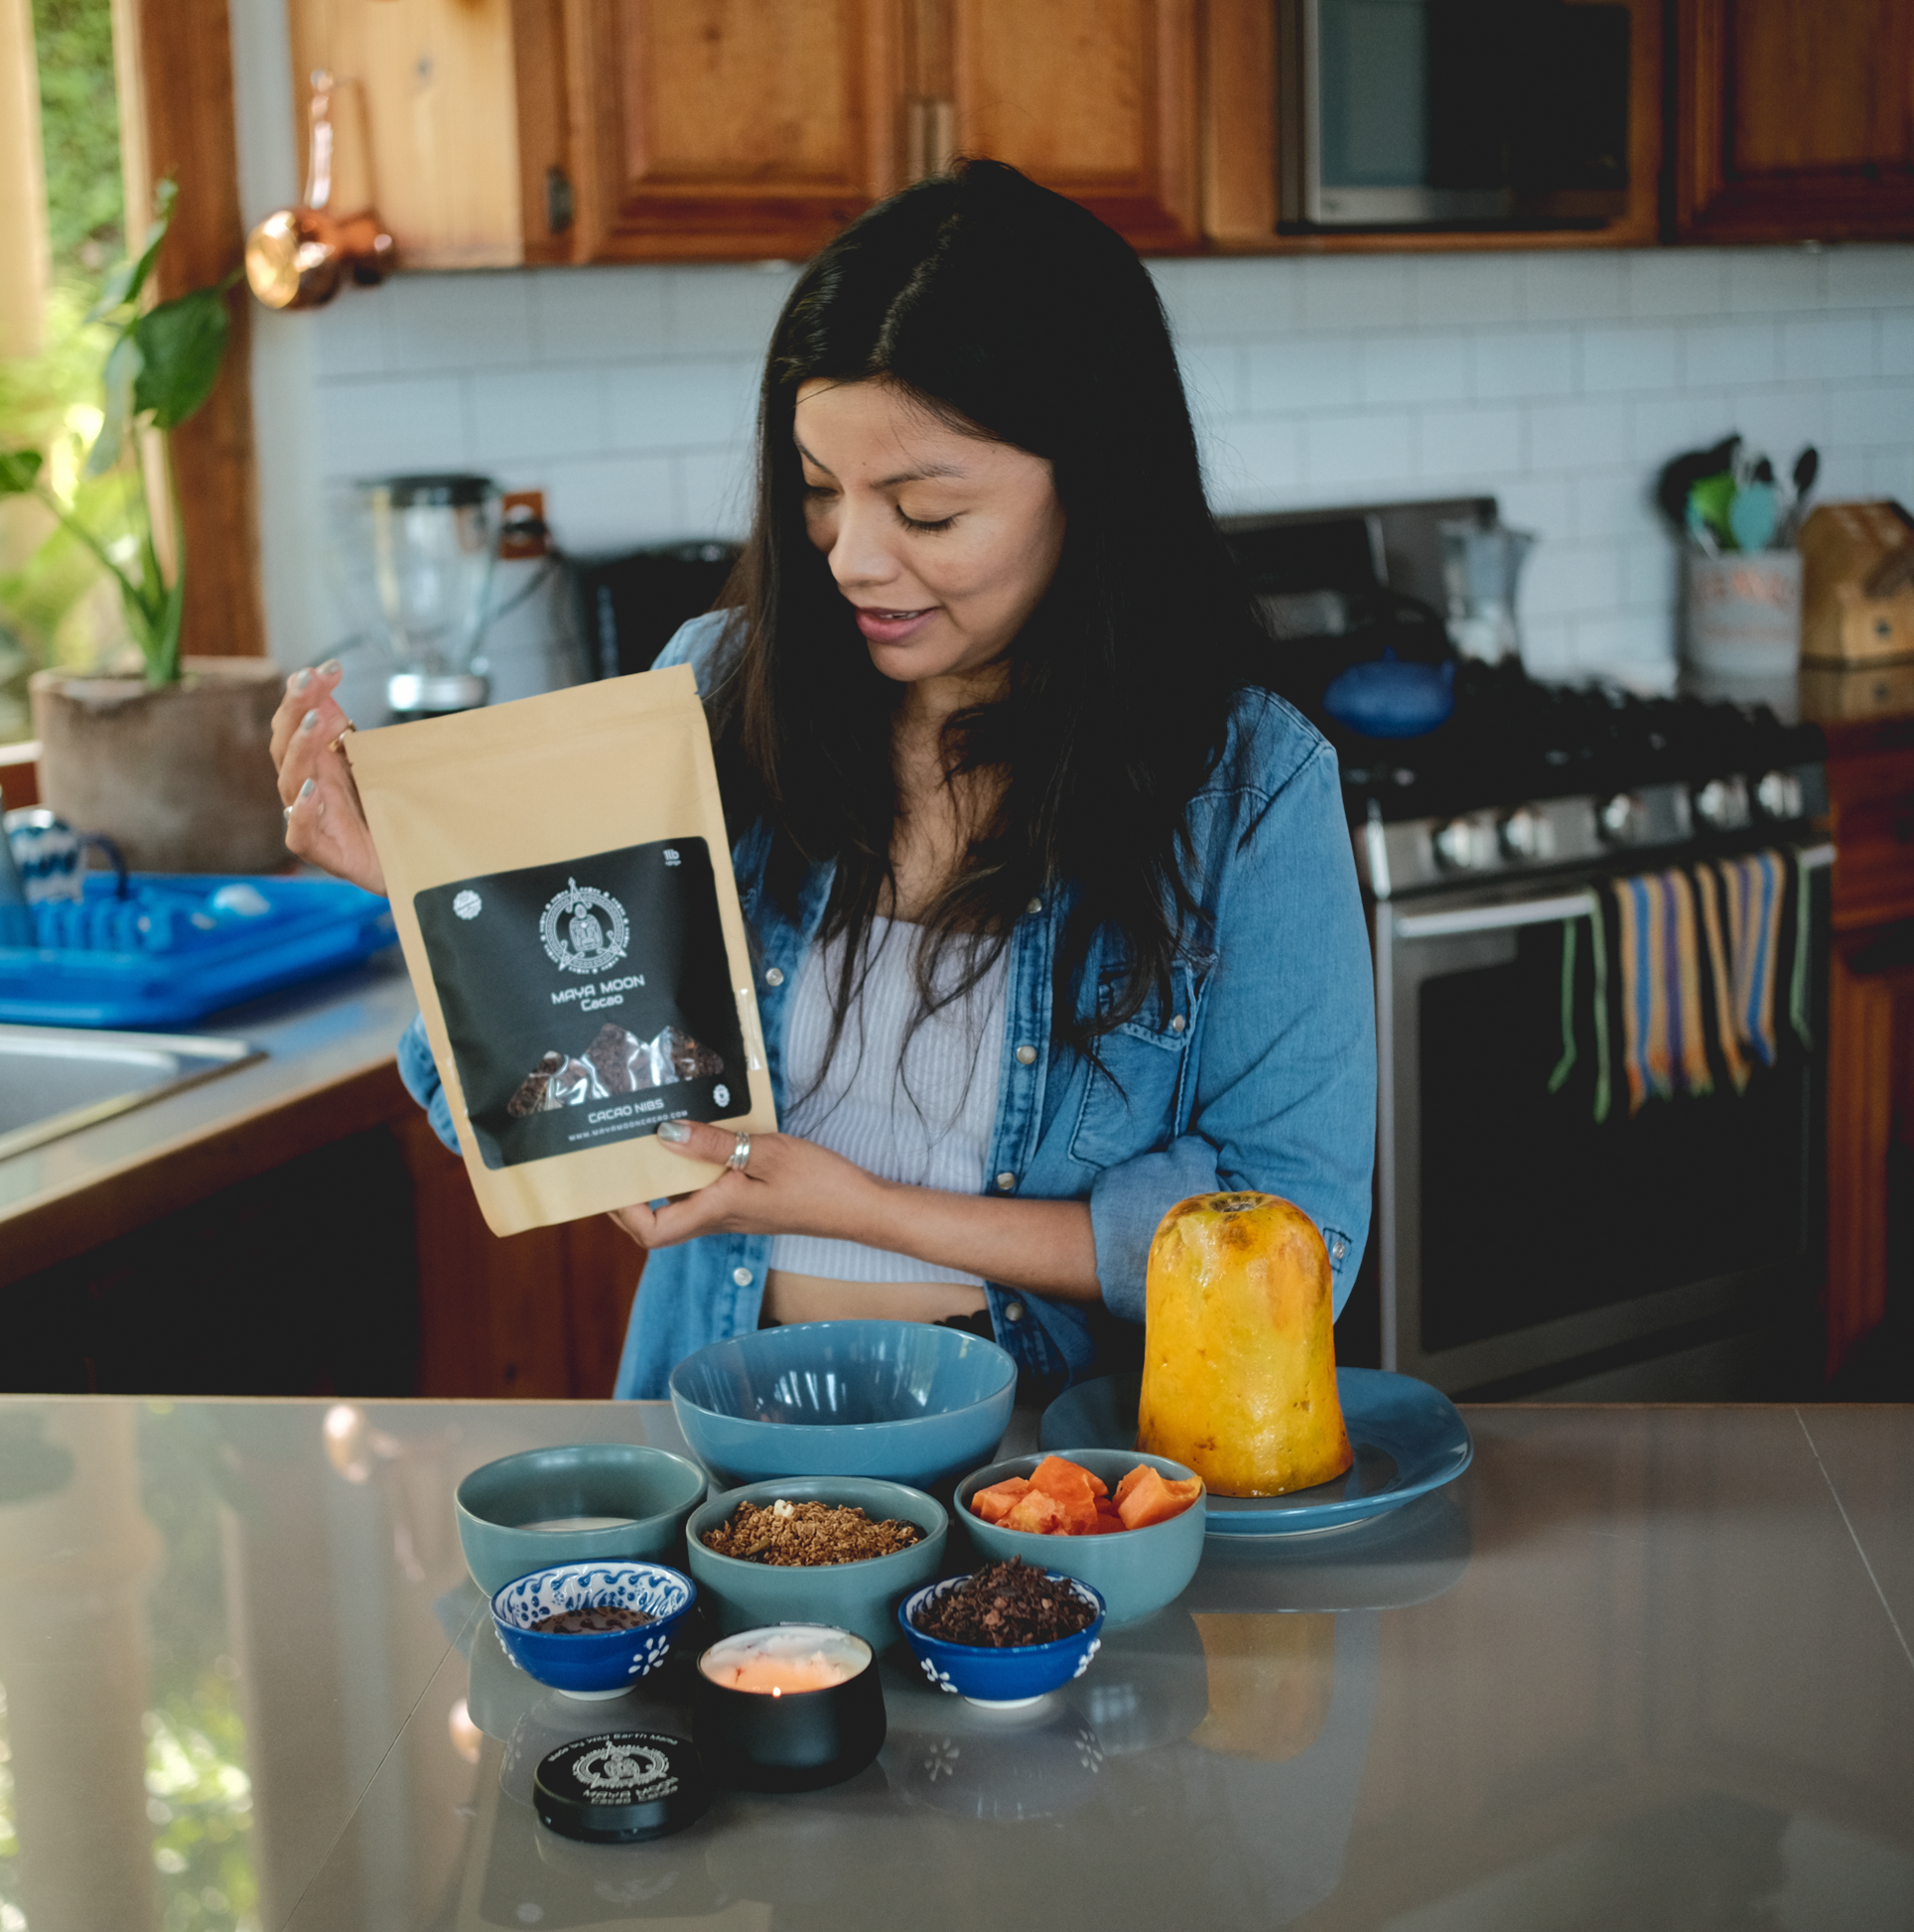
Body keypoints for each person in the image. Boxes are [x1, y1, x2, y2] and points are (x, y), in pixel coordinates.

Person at [270, 159, 1376, 1402]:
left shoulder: (1242, 784)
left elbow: (1299, 1242)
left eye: (924, 510)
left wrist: (873, 1211)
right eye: (817, 491)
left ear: (1093, 484)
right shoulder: (717, 688)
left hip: (1052, 1467)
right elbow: (568, 1087)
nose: (852, 556)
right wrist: (430, 897)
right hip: (715, 1434)